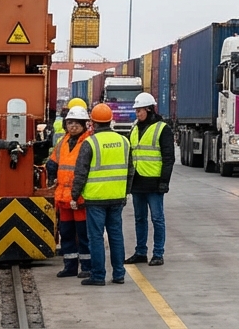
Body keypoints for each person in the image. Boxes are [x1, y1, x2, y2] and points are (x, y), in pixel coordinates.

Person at [69, 103, 129, 286]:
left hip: (95, 199)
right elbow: (131, 171)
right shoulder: (124, 141)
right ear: (110, 121)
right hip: (117, 197)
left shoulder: (90, 143)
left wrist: (74, 196)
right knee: (116, 235)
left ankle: (98, 275)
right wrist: (125, 192)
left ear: (92, 123)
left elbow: (81, 172)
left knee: (96, 237)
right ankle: (119, 274)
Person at [125, 92, 172, 267]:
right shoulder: (134, 128)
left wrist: (164, 182)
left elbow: (168, 158)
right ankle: (140, 252)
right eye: (136, 111)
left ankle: (158, 253)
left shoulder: (162, 129)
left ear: (149, 109)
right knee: (139, 219)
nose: (137, 114)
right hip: (137, 182)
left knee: (157, 219)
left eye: (139, 110)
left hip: (154, 183)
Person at [51, 105, 92, 278]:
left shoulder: (88, 142)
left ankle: (87, 267)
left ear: (84, 125)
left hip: (80, 197)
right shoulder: (63, 142)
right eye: (70, 123)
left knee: (83, 234)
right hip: (63, 198)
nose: (73, 126)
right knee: (66, 233)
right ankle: (70, 266)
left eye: (77, 123)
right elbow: (53, 162)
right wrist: (51, 175)